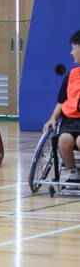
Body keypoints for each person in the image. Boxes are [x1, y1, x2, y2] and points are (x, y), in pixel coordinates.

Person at [43, 30, 80, 184]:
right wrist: (52, 118)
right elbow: (61, 101)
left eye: (74, 48)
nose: (71, 53)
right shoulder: (71, 75)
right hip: (70, 120)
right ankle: (73, 173)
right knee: (64, 140)